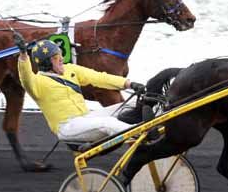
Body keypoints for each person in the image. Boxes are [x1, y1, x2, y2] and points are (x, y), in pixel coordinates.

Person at [14, 32, 146, 142]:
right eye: (55, 57)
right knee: (107, 123)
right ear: (46, 63)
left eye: (60, 54)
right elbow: (25, 77)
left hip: (86, 118)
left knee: (134, 103)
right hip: (68, 127)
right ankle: (142, 134)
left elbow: (99, 77)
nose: (61, 59)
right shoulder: (36, 83)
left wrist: (128, 84)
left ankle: (158, 117)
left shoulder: (70, 69)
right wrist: (23, 55)